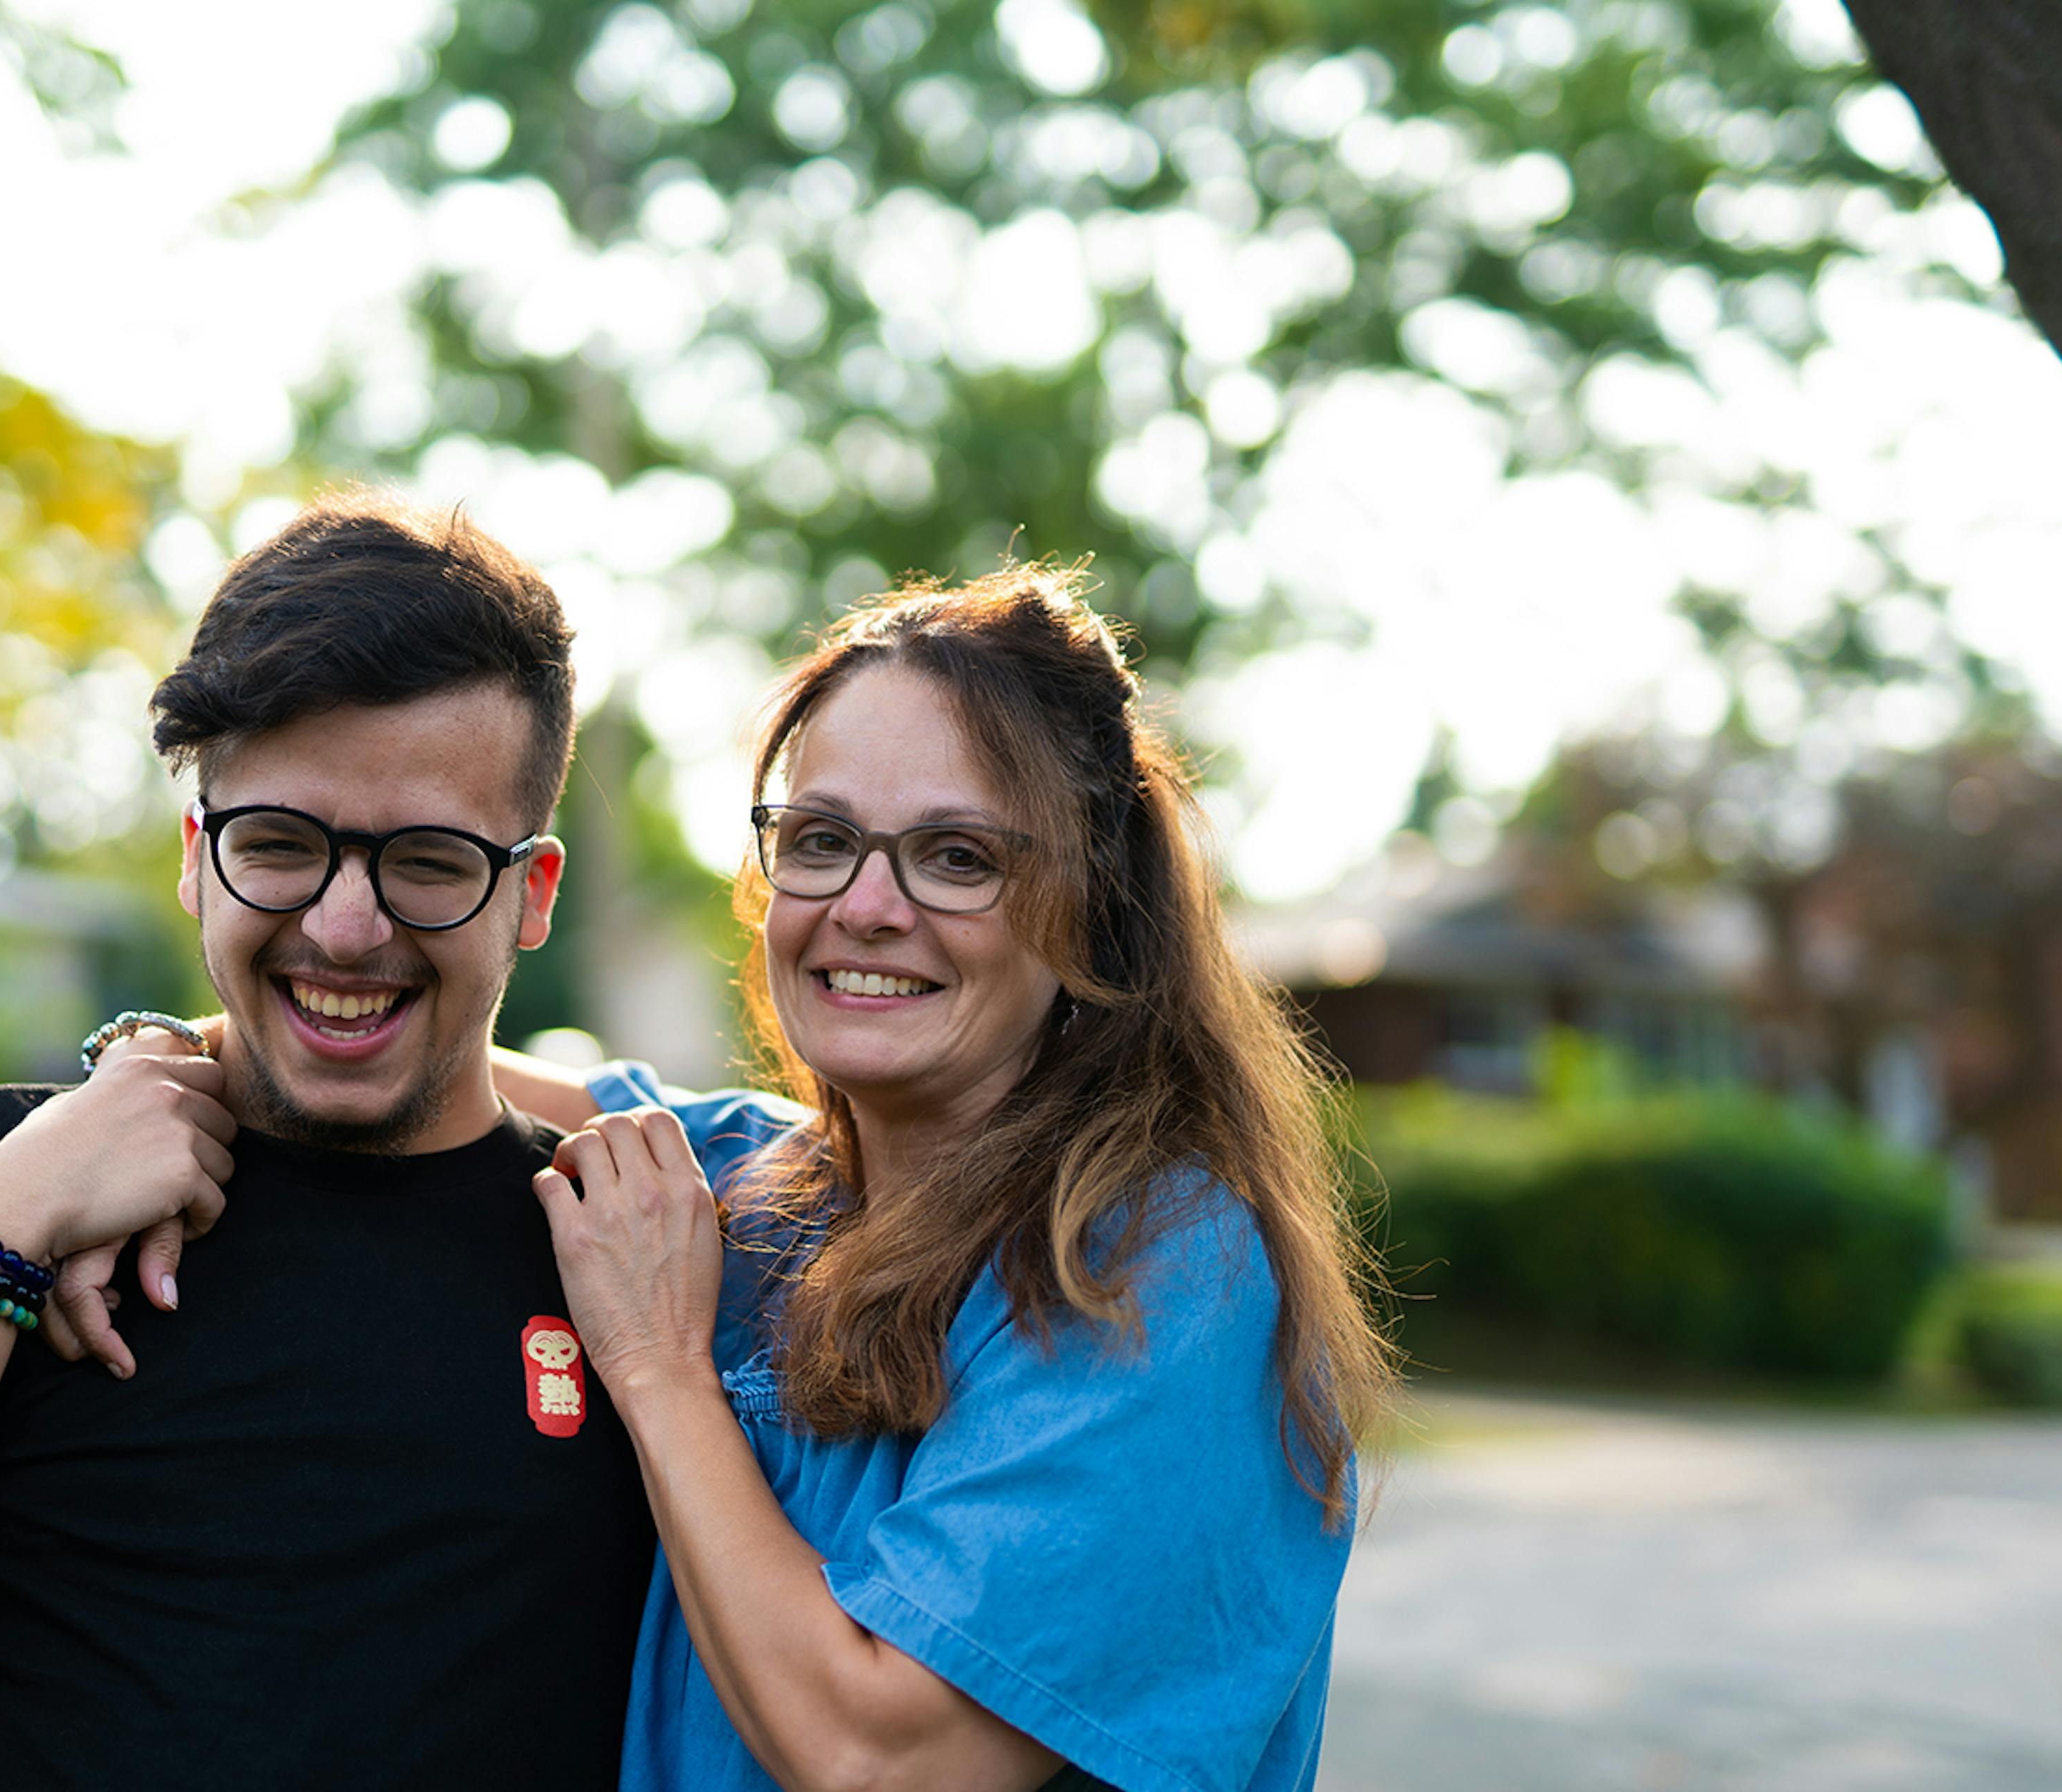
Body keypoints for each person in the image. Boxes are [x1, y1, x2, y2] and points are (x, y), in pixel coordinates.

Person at [89, 566, 1396, 1791]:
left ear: (1094, 904)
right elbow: (422, 1070)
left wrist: (657, 1367)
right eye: (821, 840)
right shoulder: (755, 1183)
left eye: (957, 858)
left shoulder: (1156, 1267)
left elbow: (883, 1754)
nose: (867, 905)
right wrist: (136, 1086)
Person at [0, 491, 661, 1788]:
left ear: (529, 892)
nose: (345, 927)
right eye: (282, 845)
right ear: (198, 859)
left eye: (426, 860)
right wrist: (2, 1229)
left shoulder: (633, 1258)